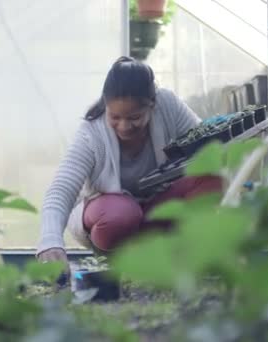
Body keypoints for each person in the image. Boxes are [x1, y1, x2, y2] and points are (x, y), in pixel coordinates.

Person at [36, 56, 223, 267]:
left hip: (154, 210)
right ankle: (122, 262)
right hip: (111, 217)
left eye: (134, 118)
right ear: (105, 105)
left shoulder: (167, 106)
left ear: (152, 106)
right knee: (122, 215)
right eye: (114, 117)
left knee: (210, 179)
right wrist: (50, 242)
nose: (124, 126)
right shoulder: (92, 133)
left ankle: (185, 254)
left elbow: (204, 144)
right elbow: (61, 189)